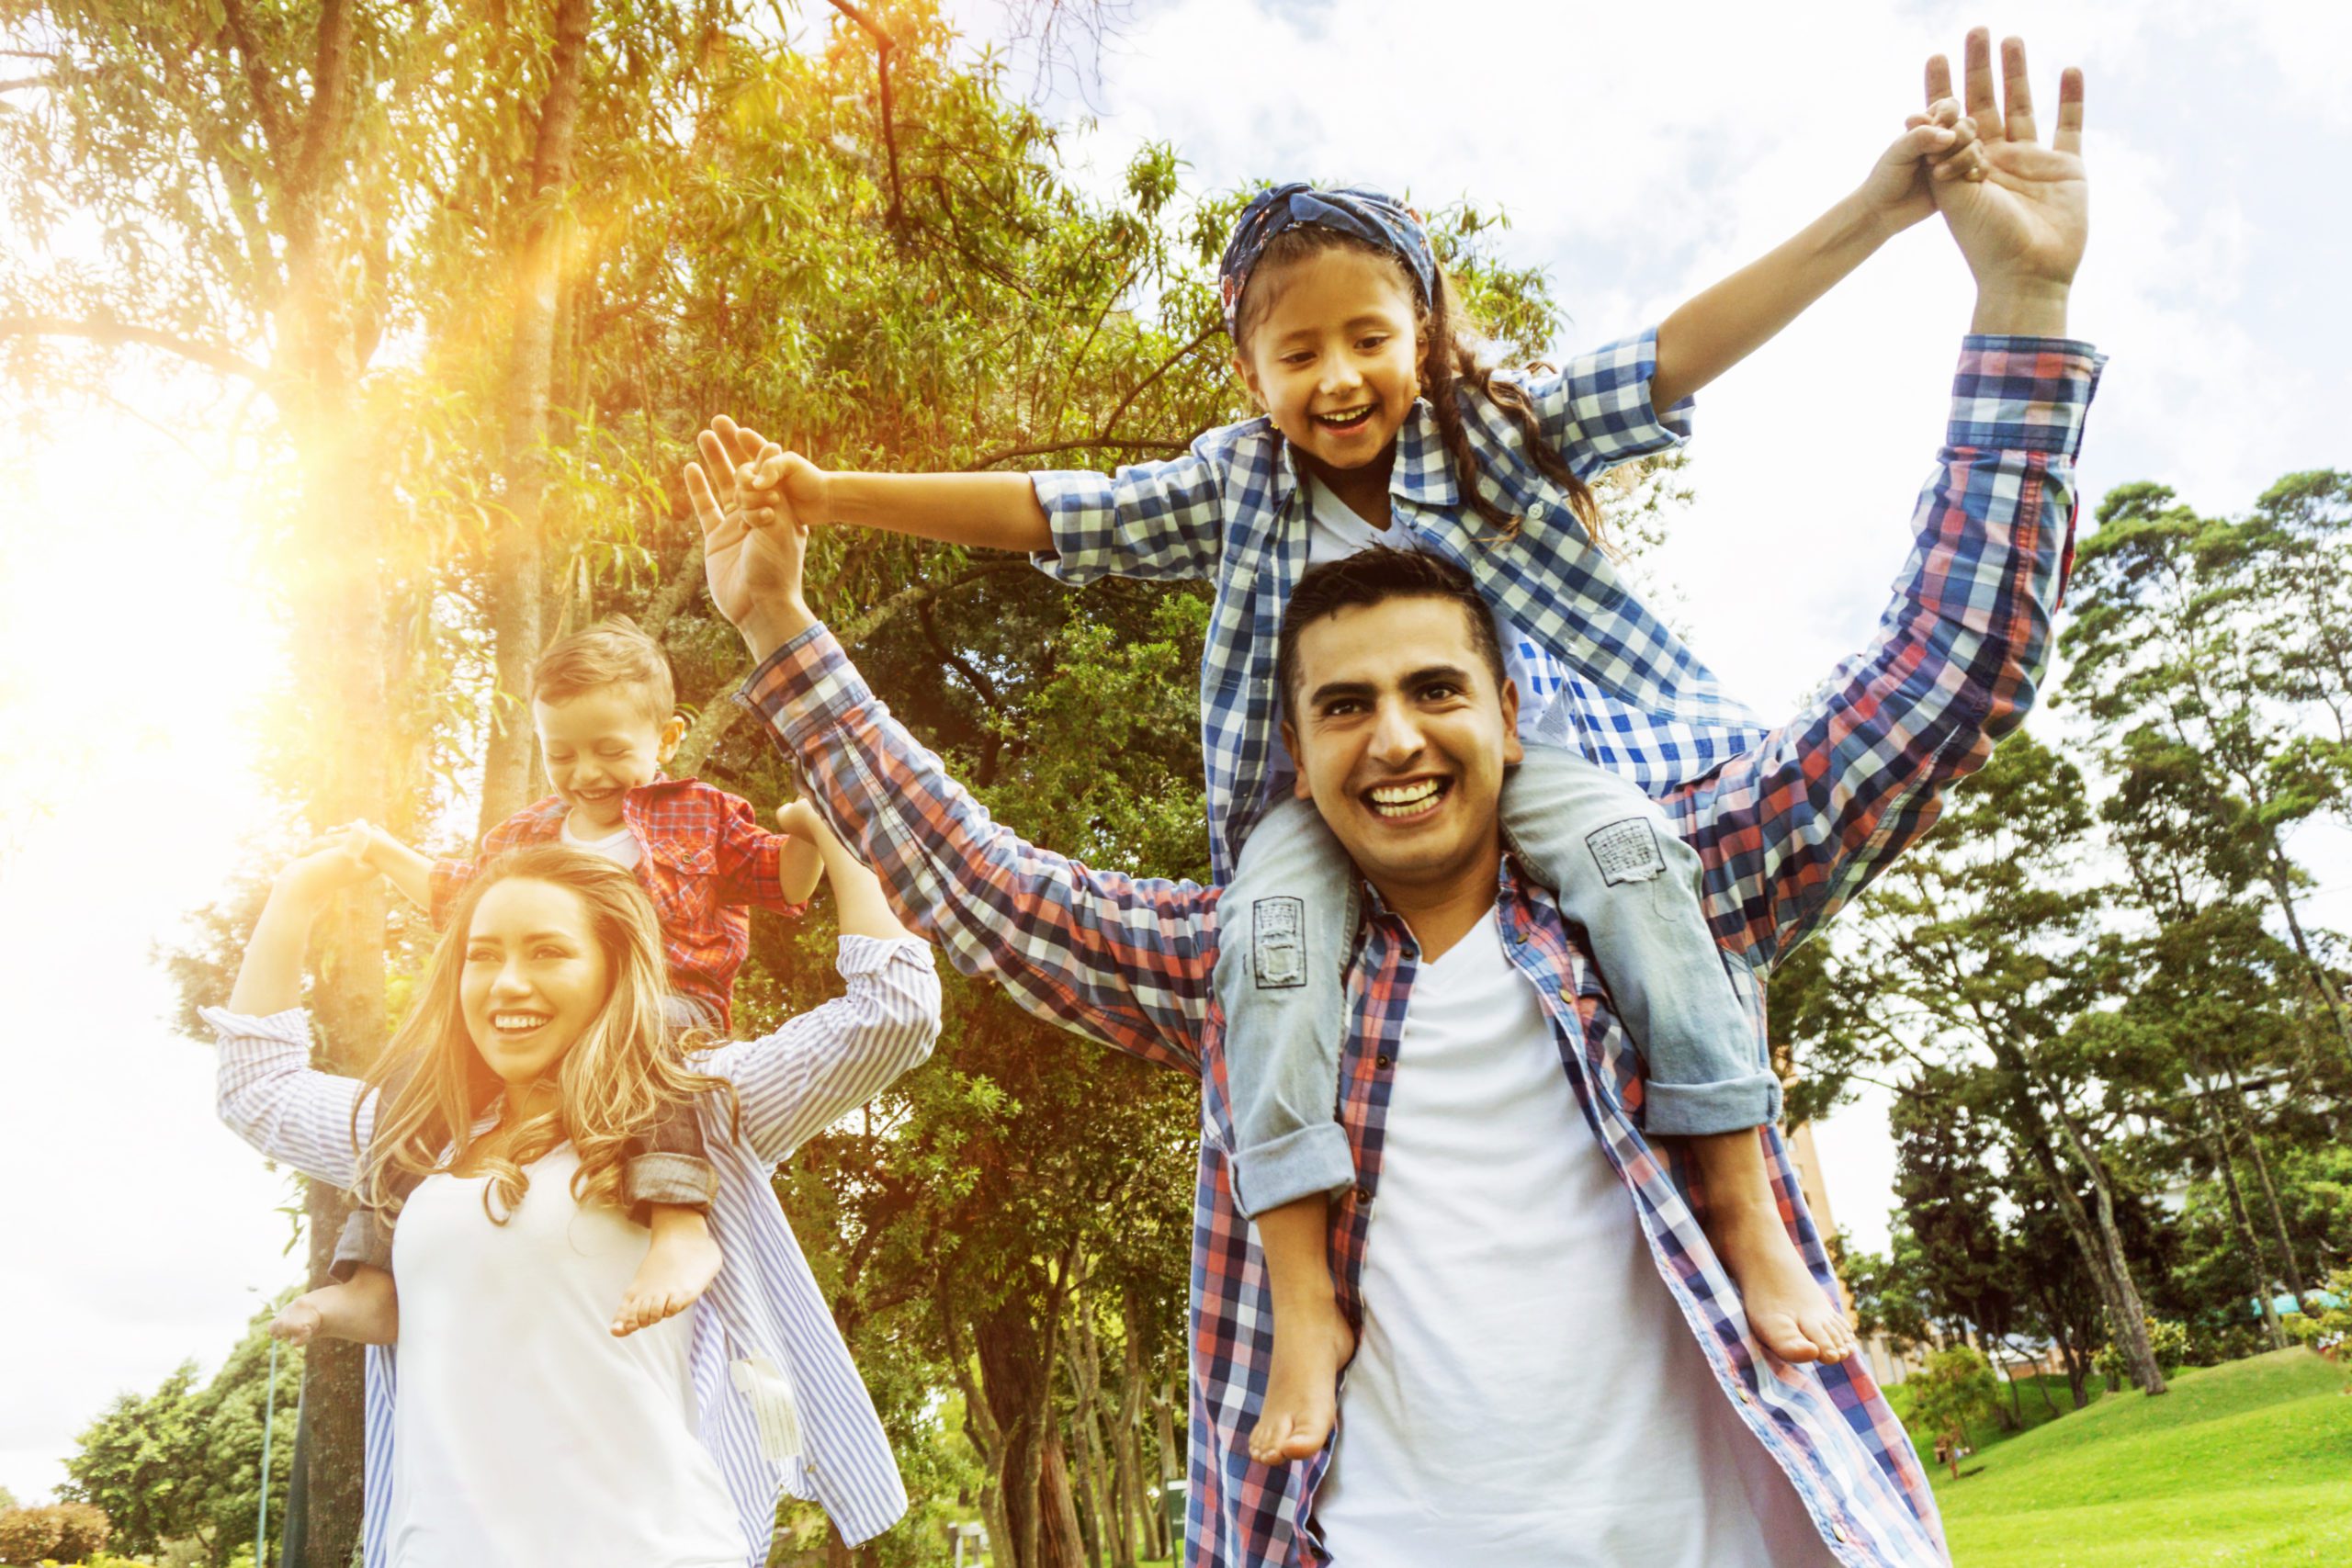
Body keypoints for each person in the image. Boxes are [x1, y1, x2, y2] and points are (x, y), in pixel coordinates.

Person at [690, 28, 2095, 1564]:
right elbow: (996, 826)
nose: (1398, 739)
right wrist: (790, 590)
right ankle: (1310, 1311)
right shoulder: (1258, 933)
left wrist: (1996, 291)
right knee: (1278, 926)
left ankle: (1745, 1208)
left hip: (1622, 852)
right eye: (1344, 705)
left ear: (1505, 699)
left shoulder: (1660, 818)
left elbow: (1937, 661)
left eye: (1437, 692)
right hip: (1352, 1452)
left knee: (1631, 855)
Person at [206, 803, 941, 1564]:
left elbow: (893, 1014)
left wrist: (831, 835)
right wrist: (294, 894)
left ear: (613, 971)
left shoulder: (699, 1102)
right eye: (483, 955)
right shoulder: (424, 1132)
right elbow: (257, 1090)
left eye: (549, 952)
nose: (507, 983)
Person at [276, 615, 828, 1349]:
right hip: (550, 1020)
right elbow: (456, 898)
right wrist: (379, 851)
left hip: (667, 1006)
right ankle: (373, 1280)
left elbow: (782, 877)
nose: (586, 772)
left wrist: (819, 827)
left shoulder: (701, 815)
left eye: (611, 750)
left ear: (665, 739)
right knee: (422, 1065)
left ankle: (679, 1222)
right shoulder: (523, 836)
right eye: (560, 752)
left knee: (651, 1024)